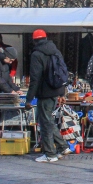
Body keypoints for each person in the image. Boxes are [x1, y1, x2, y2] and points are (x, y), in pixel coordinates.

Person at [27, 29, 70, 163]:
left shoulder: (37, 54)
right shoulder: (55, 50)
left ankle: (50, 153)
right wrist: (62, 92)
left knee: (45, 122)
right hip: (56, 89)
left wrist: (29, 99)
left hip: (44, 92)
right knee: (48, 120)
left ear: (34, 40)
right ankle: (63, 147)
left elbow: (35, 78)